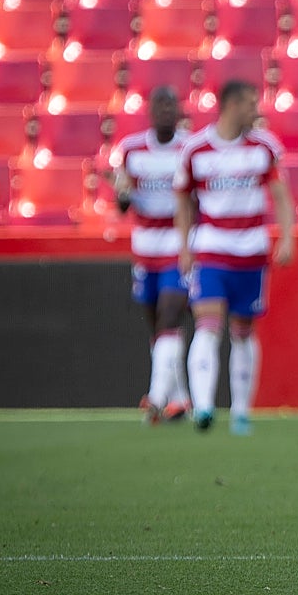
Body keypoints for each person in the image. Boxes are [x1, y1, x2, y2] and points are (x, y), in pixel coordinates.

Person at [174, 80, 296, 435]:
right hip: (212, 249)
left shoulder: (264, 146)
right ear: (230, 105)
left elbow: (281, 195)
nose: (255, 110)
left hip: (252, 251)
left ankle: (241, 410)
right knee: (208, 325)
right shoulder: (196, 149)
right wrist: (184, 245)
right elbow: (182, 199)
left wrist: (287, 237)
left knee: (243, 330)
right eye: (248, 103)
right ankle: (204, 407)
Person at [110, 85, 193, 424]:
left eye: (171, 106)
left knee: (170, 315)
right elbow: (122, 202)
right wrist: (123, 194)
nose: (165, 112)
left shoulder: (189, 147)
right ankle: (179, 399)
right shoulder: (131, 150)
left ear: (179, 111)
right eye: (159, 106)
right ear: (149, 112)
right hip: (145, 247)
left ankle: (156, 398)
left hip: (179, 243)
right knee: (156, 324)